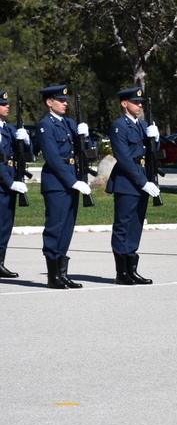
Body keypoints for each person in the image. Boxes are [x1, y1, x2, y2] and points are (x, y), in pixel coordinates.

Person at [106, 87, 162, 285]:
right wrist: (143, 182)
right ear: (124, 104)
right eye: (135, 102)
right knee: (123, 225)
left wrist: (156, 138)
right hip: (127, 182)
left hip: (144, 178)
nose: (139, 105)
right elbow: (125, 159)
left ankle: (132, 269)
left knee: (136, 225)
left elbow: (153, 154)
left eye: (141, 103)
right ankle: (121, 273)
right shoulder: (119, 126)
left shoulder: (143, 125)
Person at [36, 85, 89, 289]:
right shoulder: (45, 126)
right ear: (50, 102)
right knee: (55, 227)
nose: (65, 103)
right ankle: (53, 276)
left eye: (66, 100)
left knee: (67, 228)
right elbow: (54, 158)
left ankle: (62, 274)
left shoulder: (70, 123)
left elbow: (83, 151)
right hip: (57, 183)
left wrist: (85, 136)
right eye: (61, 100)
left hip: (72, 180)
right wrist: (72, 181)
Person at [0, 90, 31, 278]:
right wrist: (10, 182)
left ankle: (0, 262)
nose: (7, 106)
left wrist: (27, 141)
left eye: (8, 104)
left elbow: (27, 154)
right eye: (3, 104)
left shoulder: (10, 129)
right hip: (3, 183)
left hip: (10, 182)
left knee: (6, 224)